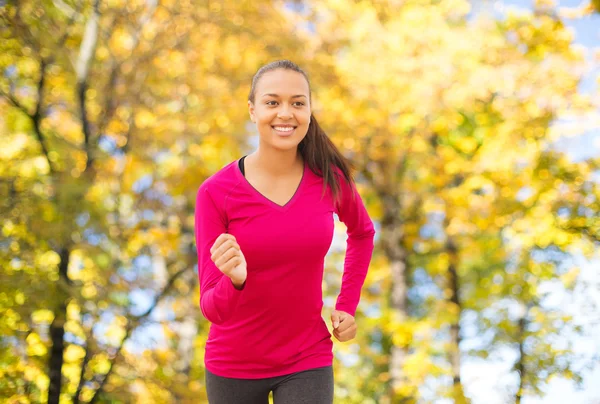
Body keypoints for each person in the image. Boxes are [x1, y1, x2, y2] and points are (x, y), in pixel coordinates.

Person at [194, 60, 375, 404]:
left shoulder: (330, 179)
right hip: (233, 366)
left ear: (309, 110)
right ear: (252, 110)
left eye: (297, 102)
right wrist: (235, 281)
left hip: (307, 357)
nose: (285, 113)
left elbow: (363, 233)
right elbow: (212, 309)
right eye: (272, 102)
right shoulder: (215, 193)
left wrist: (347, 305)